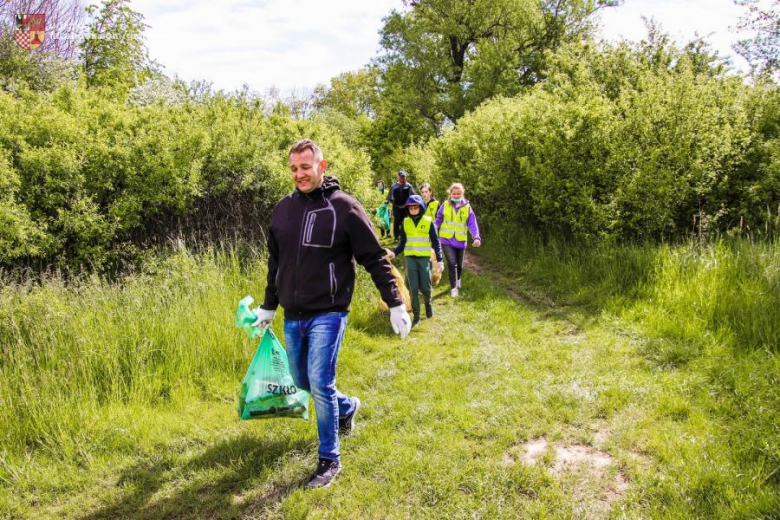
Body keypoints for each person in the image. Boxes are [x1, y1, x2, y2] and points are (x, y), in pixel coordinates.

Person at [253, 139, 412, 489]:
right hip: (293, 313)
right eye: (293, 168)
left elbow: (374, 257)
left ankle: (329, 459)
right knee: (302, 380)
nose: (299, 174)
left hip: (330, 310)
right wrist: (268, 306)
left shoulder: (345, 207)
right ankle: (348, 407)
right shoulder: (283, 209)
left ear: (321, 167)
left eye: (305, 167)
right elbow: (276, 264)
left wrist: (395, 302)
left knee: (321, 382)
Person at [387, 195, 444, 327]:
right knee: (413, 289)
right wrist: (394, 253)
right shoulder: (405, 222)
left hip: (424, 259)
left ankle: (428, 303)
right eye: (410, 208)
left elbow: (436, 242)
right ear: (407, 209)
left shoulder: (428, 222)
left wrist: (440, 260)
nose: (413, 210)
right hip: (410, 259)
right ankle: (416, 317)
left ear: (421, 207)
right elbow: (402, 243)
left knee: (426, 287)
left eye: (415, 207)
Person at [435, 183, 481, 297]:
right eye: (454, 194)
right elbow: (438, 219)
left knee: (459, 265)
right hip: (446, 239)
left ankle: (458, 279)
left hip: (460, 240)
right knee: (452, 263)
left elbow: (472, 223)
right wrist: (433, 229)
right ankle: (453, 288)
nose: (456, 196)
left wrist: (476, 237)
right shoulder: (445, 205)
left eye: (458, 194)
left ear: (462, 194)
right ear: (450, 194)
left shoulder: (467, 207)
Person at [386, 170, 416, 242]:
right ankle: (396, 236)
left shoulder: (409, 186)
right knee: (397, 220)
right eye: (401, 176)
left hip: (405, 207)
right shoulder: (394, 186)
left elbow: (413, 195)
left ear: (405, 177)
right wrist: (388, 202)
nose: (402, 178)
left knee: (405, 221)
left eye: (404, 177)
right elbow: (389, 196)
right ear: (398, 177)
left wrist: (412, 203)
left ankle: (404, 236)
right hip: (396, 207)